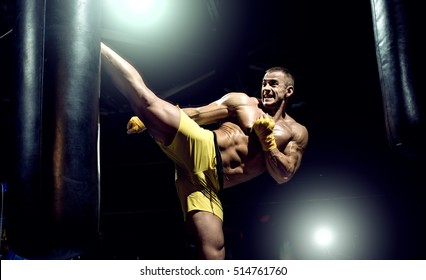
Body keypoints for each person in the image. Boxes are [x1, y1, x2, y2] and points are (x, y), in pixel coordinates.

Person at [100, 42, 309, 259]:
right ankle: (98, 46)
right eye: (264, 83)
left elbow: (284, 175)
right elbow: (198, 114)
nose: (266, 88)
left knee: (213, 255)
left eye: (273, 84)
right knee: (146, 100)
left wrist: (269, 144)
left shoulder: (296, 132)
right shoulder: (242, 102)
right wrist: (149, 119)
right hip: (201, 148)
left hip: (209, 184)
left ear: (289, 91)